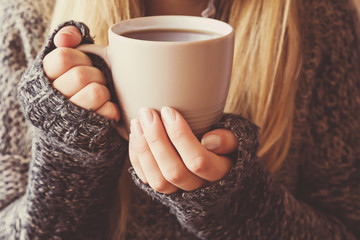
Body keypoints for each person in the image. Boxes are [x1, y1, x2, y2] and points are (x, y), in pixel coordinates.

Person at [0, 0, 359, 239]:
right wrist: (70, 157)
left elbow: (347, 226)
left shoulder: (320, 21)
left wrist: (236, 203)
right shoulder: (24, 19)